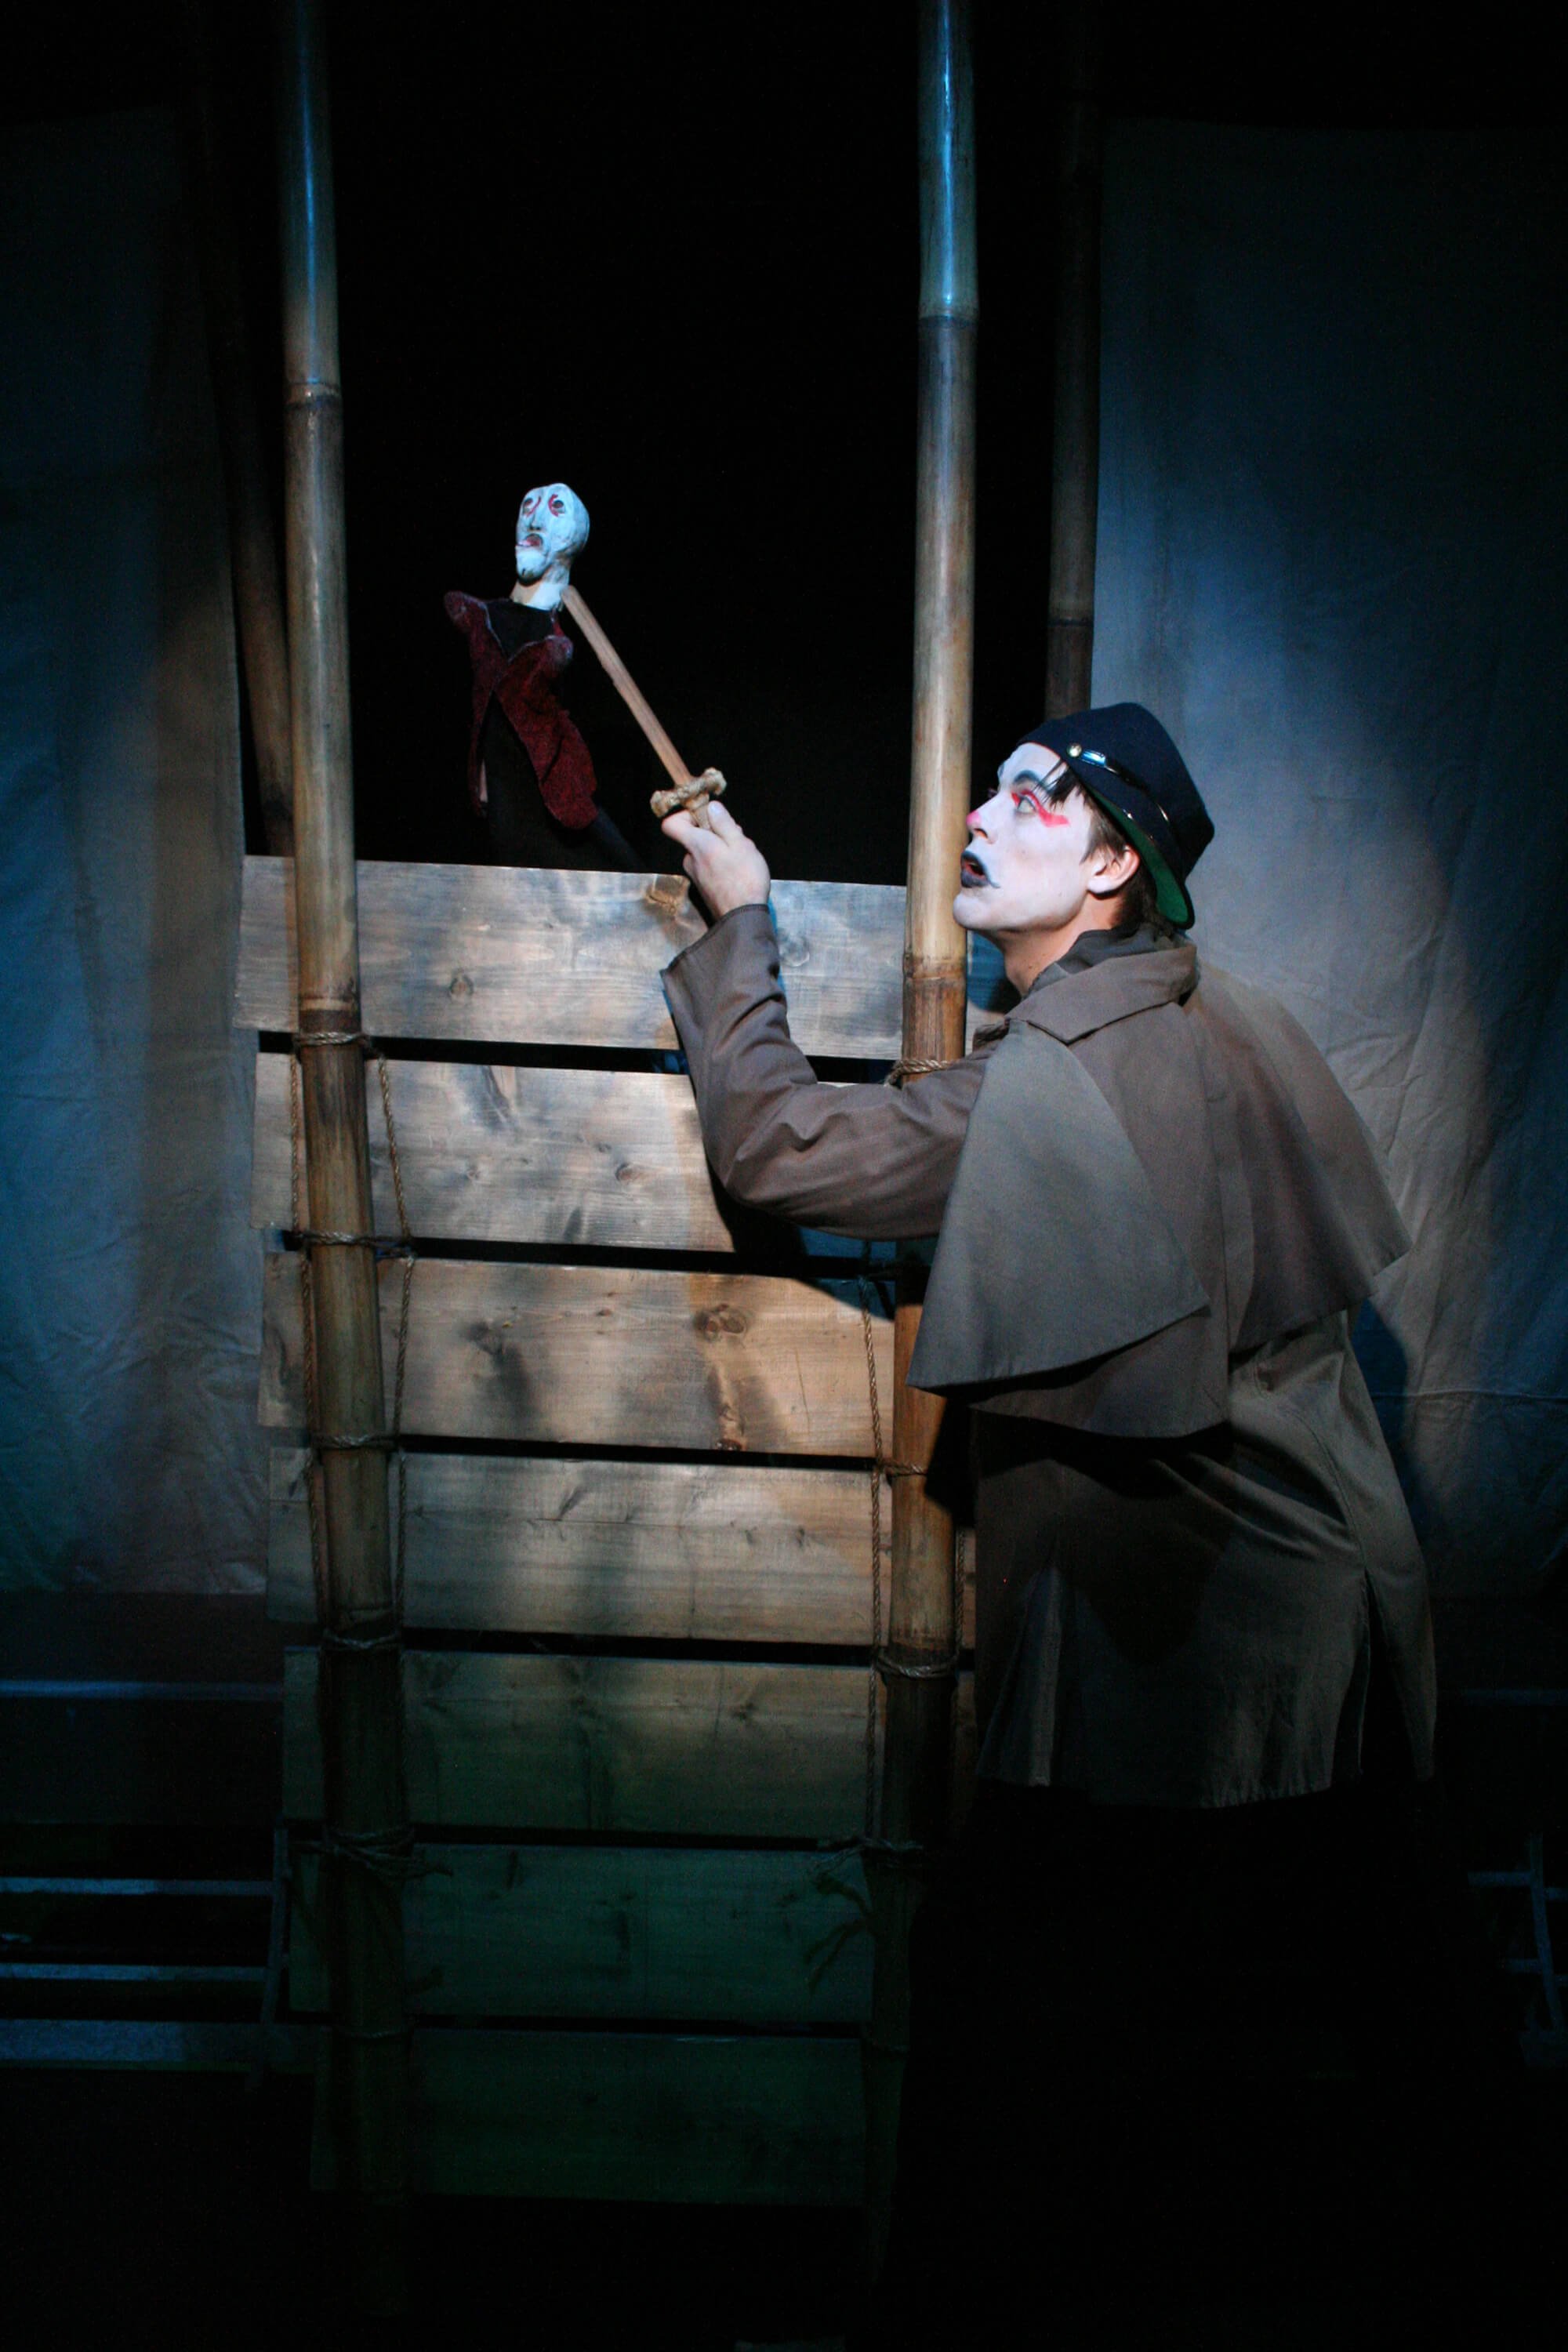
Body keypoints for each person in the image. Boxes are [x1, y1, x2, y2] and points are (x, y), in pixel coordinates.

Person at [659, 708, 1518, 2338]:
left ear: (1113, 866)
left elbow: (784, 1153)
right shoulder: (1231, 1016)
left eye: (1030, 802)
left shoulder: (1049, 1088)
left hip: (1192, 1643)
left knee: (1021, 2022)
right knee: (1381, 2022)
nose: (983, 813)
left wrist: (741, 920)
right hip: (1334, 1595)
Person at [445, 481, 643, 870]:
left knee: (604, 858)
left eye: (553, 508)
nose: (534, 518)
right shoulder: (488, 618)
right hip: (504, 786)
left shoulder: (557, 627)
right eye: (528, 507)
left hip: (549, 777)